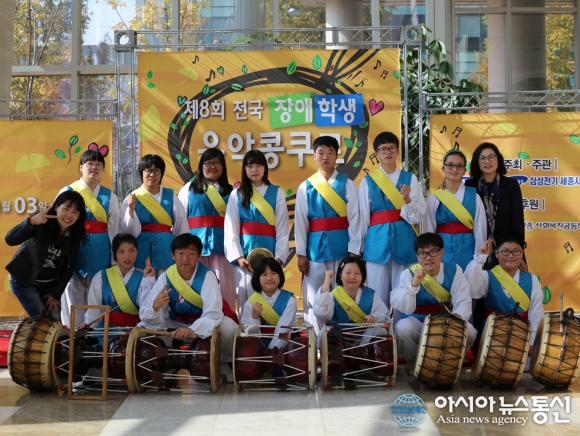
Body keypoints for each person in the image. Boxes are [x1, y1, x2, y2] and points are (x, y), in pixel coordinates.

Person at [139, 234, 238, 381]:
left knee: (229, 328)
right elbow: (149, 315)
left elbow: (213, 312)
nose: (185, 258)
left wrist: (193, 329)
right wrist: (154, 306)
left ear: (199, 256)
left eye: (191, 253)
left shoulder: (207, 275)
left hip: (205, 323)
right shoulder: (166, 276)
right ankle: (165, 364)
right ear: (173, 255)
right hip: (177, 323)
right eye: (180, 253)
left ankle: (222, 362)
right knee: (142, 327)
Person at [295, 136, 361, 336]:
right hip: (315, 251)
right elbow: (301, 222)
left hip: (342, 249)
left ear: (336, 155)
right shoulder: (305, 186)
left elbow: (355, 218)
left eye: (330, 152)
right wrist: (301, 254)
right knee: (315, 296)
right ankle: (316, 343)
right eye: (321, 152)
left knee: (342, 294)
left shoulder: (348, 184)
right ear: (314, 156)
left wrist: (354, 250)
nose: (325, 157)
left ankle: (343, 341)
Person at [358, 132, 425, 319]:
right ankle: (379, 335)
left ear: (397, 151)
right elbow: (363, 217)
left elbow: (418, 215)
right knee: (377, 295)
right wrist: (360, 247)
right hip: (376, 244)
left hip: (404, 242)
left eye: (391, 148)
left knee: (404, 292)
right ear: (376, 154)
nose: (388, 152)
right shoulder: (368, 181)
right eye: (383, 149)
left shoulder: (410, 179)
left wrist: (407, 200)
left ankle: (401, 332)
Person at [391, 233, 477, 365]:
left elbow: (463, 299)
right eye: (422, 254)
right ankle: (413, 362)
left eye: (433, 252)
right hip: (417, 320)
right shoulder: (408, 273)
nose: (427, 258)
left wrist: (458, 316)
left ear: (442, 252)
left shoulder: (454, 270)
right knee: (402, 328)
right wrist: (413, 285)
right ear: (417, 256)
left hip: (444, 319)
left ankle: (449, 362)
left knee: (469, 331)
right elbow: (403, 305)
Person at [224, 150, 289, 318]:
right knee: (246, 299)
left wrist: (278, 259)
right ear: (244, 169)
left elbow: (282, 229)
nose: (255, 170)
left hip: (270, 257)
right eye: (250, 166)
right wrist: (239, 257)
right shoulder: (237, 194)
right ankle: (247, 333)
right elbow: (231, 227)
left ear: (265, 168)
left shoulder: (277, 193)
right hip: (246, 259)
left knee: (272, 300)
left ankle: (273, 334)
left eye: (259, 165)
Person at [59, 150, 120, 328]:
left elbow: (115, 230)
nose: (94, 167)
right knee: (72, 294)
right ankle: (70, 335)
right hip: (73, 249)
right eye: (90, 164)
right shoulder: (67, 191)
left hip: (101, 251)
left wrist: (114, 260)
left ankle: (95, 337)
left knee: (97, 295)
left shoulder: (110, 196)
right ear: (81, 167)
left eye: (99, 164)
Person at [5, 191, 86, 319]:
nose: (69, 215)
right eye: (66, 209)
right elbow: (10, 240)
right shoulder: (41, 224)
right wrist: (31, 221)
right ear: (56, 207)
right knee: (43, 321)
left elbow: (69, 268)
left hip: (49, 285)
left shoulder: (74, 235)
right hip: (24, 282)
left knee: (55, 323)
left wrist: (55, 294)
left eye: (75, 212)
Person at [178, 149, 235, 310]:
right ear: (201, 166)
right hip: (194, 249)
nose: (212, 167)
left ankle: (227, 318)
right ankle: (195, 320)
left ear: (223, 167)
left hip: (223, 248)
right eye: (208, 163)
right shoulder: (188, 189)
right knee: (196, 285)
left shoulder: (232, 192)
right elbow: (180, 220)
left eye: (217, 163)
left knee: (225, 287)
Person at [465, 231, 543, 347]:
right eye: (505, 251)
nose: (511, 255)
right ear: (496, 253)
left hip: (522, 337)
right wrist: (480, 258)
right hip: (492, 337)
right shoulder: (487, 276)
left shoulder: (532, 279)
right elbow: (472, 290)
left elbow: (536, 314)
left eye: (516, 251)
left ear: (522, 254)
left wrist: (531, 343)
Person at [121, 154, 188, 274]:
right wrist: (130, 210)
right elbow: (127, 232)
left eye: (156, 170)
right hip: (140, 254)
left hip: (166, 252)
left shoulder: (171, 196)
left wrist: (182, 252)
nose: (152, 174)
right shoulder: (132, 198)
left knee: (166, 283)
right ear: (141, 173)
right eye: (148, 170)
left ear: (161, 173)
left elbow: (181, 226)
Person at [465, 142, 526, 270]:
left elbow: (517, 221)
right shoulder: (469, 186)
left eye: (491, 157)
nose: (487, 161)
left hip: (506, 250)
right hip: (478, 247)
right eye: (482, 158)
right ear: (477, 162)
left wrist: (517, 251)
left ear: (498, 159)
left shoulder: (511, 185)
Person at [424, 149, 486, 272]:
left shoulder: (474, 197)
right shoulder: (435, 198)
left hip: (468, 249)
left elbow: (480, 230)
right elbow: (429, 230)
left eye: (459, 166)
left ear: (464, 170)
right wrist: (430, 254)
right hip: (442, 251)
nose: (454, 169)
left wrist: (479, 258)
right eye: (450, 165)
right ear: (443, 168)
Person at [83, 233, 156, 328]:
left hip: (133, 331)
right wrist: (88, 325)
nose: (127, 256)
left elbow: (148, 310)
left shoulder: (144, 277)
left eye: (131, 250)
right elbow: (94, 309)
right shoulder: (101, 276)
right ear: (114, 253)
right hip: (105, 330)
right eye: (121, 251)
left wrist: (149, 280)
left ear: (137, 251)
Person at [313, 257, 390, 327]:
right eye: (348, 273)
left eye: (357, 273)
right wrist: (326, 284)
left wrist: (374, 317)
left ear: (362, 275)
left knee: (380, 331)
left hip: (366, 335)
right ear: (340, 275)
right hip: (339, 335)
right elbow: (320, 313)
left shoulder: (370, 294)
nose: (352, 277)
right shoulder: (334, 295)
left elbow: (385, 315)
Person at [240, 257, 297, 349]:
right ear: (257, 278)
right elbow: (246, 333)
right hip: (257, 348)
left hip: (282, 348)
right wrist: (254, 317)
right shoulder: (251, 302)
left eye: (273, 273)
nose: (269, 278)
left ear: (280, 275)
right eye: (264, 274)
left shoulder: (289, 300)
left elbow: (284, 330)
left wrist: (270, 352)